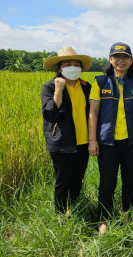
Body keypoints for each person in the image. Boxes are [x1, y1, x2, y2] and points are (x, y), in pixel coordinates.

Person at [88, 42, 133, 233]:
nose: (120, 60)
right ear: (110, 59)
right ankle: (103, 219)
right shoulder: (100, 82)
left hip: (131, 141)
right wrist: (92, 140)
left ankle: (127, 213)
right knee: (107, 182)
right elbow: (93, 112)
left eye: (125, 57)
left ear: (131, 61)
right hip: (107, 142)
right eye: (117, 57)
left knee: (130, 180)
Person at [41, 47, 93, 214]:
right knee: (63, 180)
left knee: (78, 177)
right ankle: (60, 213)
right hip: (62, 141)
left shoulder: (86, 86)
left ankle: (74, 205)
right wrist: (58, 91)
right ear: (59, 68)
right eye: (68, 63)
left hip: (84, 140)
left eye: (76, 64)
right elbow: (50, 115)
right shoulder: (50, 87)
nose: (73, 67)